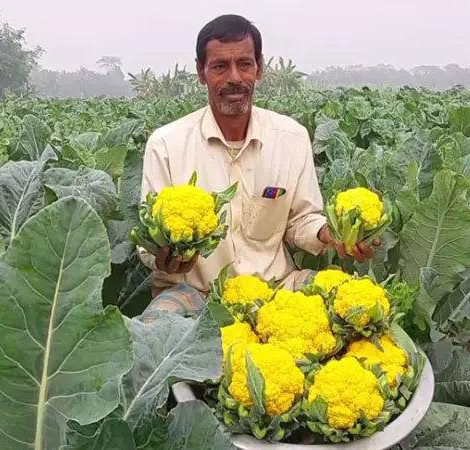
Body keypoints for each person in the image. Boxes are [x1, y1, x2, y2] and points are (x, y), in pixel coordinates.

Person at [137, 14, 378, 323]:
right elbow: (148, 242)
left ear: (259, 68)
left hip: (276, 289)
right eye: (220, 66)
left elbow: (301, 220)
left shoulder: (291, 137)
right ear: (201, 72)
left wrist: (330, 232)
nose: (234, 78)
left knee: (363, 309)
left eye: (245, 64)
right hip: (195, 294)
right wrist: (165, 257)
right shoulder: (166, 145)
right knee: (151, 335)